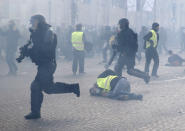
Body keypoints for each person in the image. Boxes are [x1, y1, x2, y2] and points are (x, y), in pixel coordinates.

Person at [20, 15, 80, 120]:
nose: (31, 23)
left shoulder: (48, 33)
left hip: (48, 64)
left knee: (39, 87)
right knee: (44, 88)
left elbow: (45, 50)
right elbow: (37, 48)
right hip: (44, 64)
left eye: (33, 21)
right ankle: (35, 112)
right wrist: (26, 50)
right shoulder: (38, 33)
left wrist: (30, 51)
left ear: (39, 21)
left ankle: (35, 112)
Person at [114, 18, 150, 83]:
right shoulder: (131, 31)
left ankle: (119, 82)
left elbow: (122, 46)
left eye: (120, 24)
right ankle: (145, 75)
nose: (119, 26)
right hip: (130, 54)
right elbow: (134, 44)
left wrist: (115, 46)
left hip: (125, 54)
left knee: (120, 68)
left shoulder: (122, 33)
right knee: (130, 70)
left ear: (123, 24)